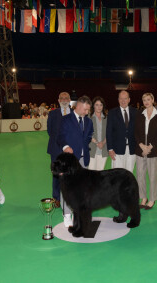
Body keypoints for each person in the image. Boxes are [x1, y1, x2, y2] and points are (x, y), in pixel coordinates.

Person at [57, 96, 94, 226]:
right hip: (70, 162)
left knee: (82, 189)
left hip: (84, 160)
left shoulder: (89, 121)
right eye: (85, 109)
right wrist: (66, 146)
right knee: (67, 188)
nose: (87, 112)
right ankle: (67, 215)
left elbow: (89, 135)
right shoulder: (66, 120)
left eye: (88, 110)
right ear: (78, 106)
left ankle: (80, 212)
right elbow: (60, 137)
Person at [134, 93, 157, 210]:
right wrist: (142, 146)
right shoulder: (139, 114)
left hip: (154, 150)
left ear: (153, 100)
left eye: (148, 99)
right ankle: (143, 198)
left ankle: (152, 199)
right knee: (140, 176)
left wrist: (150, 147)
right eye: (144, 100)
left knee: (153, 176)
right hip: (140, 150)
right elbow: (135, 131)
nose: (146, 102)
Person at [46, 92, 71, 207]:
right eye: (62, 98)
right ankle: (56, 198)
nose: (64, 100)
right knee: (56, 174)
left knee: (70, 173)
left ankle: (70, 195)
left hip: (70, 150)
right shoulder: (52, 114)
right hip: (55, 149)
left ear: (70, 100)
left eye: (66, 98)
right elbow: (50, 131)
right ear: (58, 100)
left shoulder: (74, 113)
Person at [106, 90, 137, 173]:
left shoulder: (136, 112)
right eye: (121, 99)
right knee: (117, 175)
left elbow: (138, 131)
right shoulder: (112, 113)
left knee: (129, 174)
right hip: (116, 150)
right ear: (118, 100)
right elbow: (108, 132)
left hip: (132, 149)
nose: (123, 101)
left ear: (129, 99)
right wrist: (110, 149)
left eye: (125, 98)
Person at [88, 97, 108, 171]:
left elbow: (108, 133)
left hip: (103, 149)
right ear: (93, 106)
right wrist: (97, 143)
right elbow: (87, 133)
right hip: (92, 149)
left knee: (100, 174)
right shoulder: (88, 117)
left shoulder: (106, 118)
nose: (99, 107)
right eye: (97, 105)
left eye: (101, 105)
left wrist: (103, 143)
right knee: (91, 173)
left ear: (103, 106)